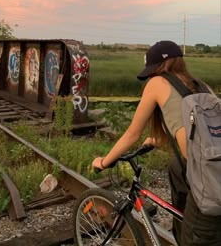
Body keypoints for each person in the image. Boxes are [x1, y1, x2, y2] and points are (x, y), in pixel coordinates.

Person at [92, 40, 221, 246]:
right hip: (213, 168)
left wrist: (105, 161)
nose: (151, 76)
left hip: (209, 183)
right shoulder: (202, 86)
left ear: (160, 67)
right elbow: (202, 132)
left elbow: (132, 134)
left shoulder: (157, 83)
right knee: (176, 167)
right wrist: (157, 139)